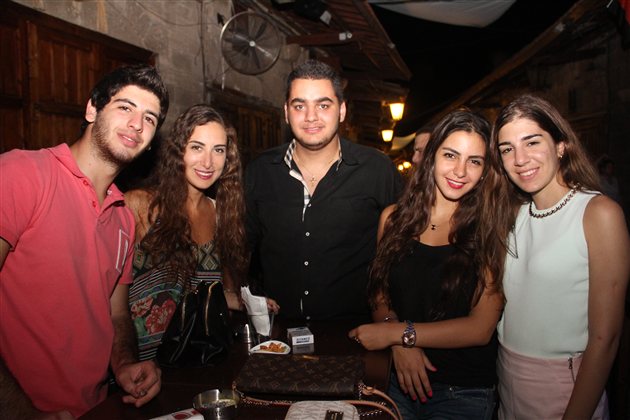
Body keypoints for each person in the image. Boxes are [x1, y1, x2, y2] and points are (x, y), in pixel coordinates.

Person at [0, 64, 169, 418]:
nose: (137, 124)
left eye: (149, 118)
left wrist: (125, 364)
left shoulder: (123, 217)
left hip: (97, 406)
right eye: (125, 107)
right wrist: (21, 413)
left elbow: (116, 314)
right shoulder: (21, 174)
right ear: (92, 108)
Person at [349, 109, 511, 419]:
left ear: (485, 170)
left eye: (474, 161)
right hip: (395, 379)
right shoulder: (393, 219)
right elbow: (379, 292)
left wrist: (400, 335)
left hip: (463, 391)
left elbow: (480, 328)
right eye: (451, 155)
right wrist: (399, 344)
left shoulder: (491, 228)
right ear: (432, 156)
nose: (460, 171)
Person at [492, 94, 630, 419]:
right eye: (507, 149)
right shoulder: (514, 215)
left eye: (532, 142)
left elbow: (606, 338)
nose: (520, 159)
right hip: (506, 383)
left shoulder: (597, 213)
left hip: (565, 388)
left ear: (560, 145)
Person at [245, 59, 403, 322]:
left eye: (323, 105)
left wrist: (393, 323)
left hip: (354, 333)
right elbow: (240, 247)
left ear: (342, 110)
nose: (311, 117)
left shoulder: (377, 169)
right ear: (286, 112)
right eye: (299, 106)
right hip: (279, 331)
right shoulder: (260, 170)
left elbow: (403, 252)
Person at [126, 104, 277, 361]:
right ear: (178, 152)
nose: (208, 162)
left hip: (193, 363)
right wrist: (123, 361)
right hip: (137, 363)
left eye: (218, 150)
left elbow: (207, 292)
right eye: (197, 147)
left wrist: (245, 301)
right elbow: (107, 298)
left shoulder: (220, 215)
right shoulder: (141, 206)